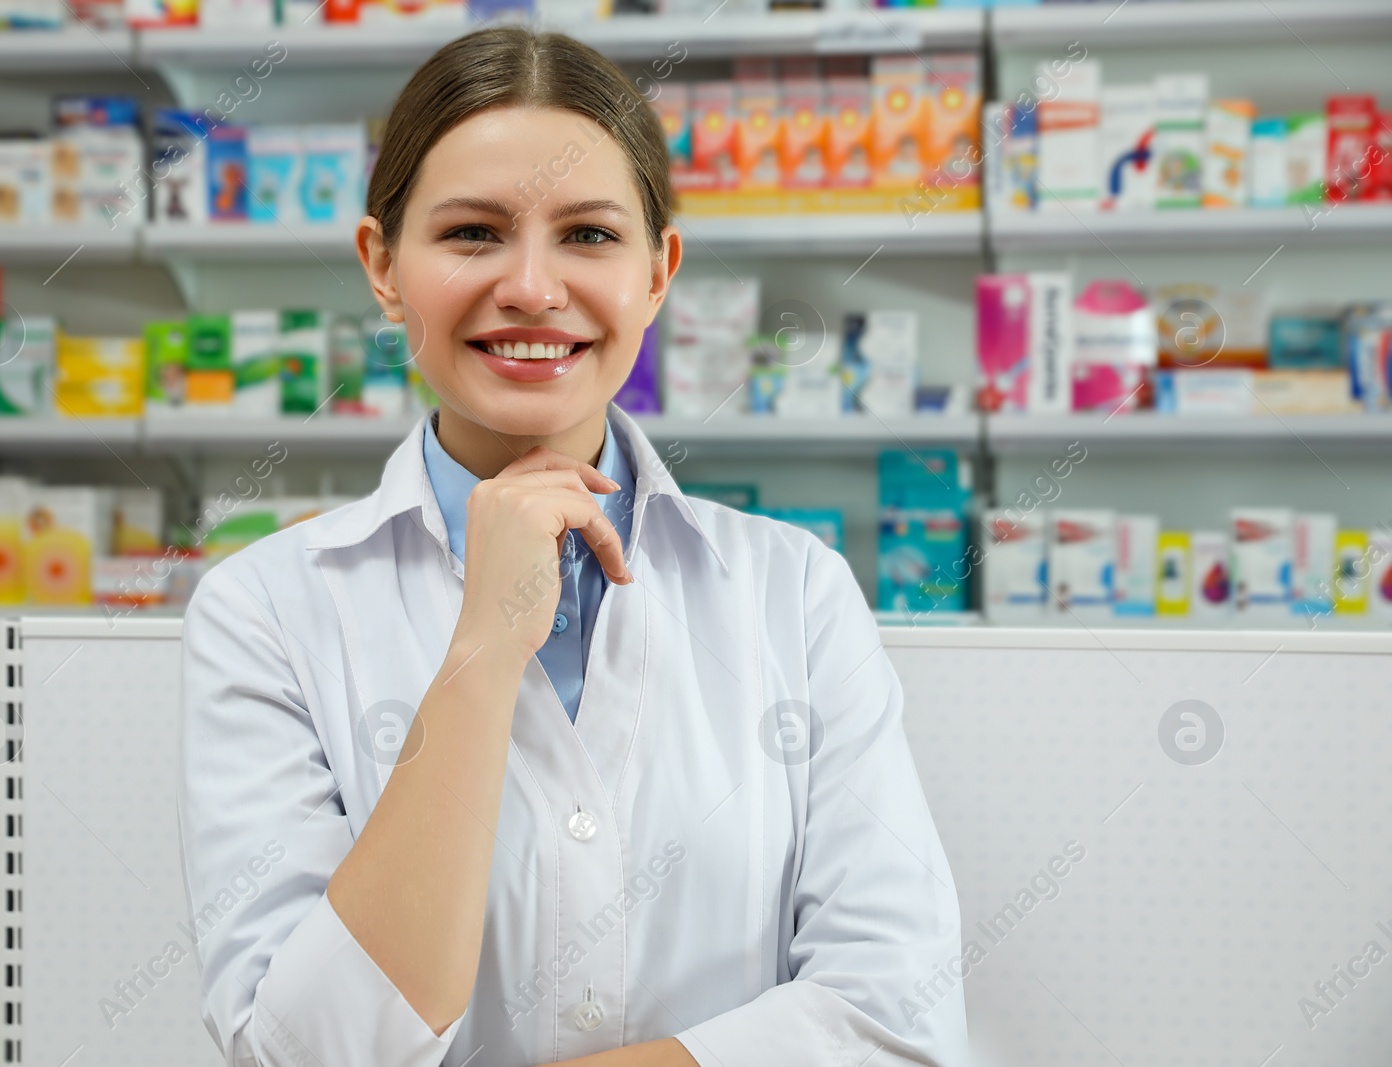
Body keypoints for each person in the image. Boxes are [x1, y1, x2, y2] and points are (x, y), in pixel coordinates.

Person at [177, 26, 969, 1067]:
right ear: (382, 266)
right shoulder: (266, 610)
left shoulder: (792, 591)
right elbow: (303, 1051)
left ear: (657, 271)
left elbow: (897, 1018)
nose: (533, 289)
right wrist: (478, 656)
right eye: (470, 234)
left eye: (590, 236)